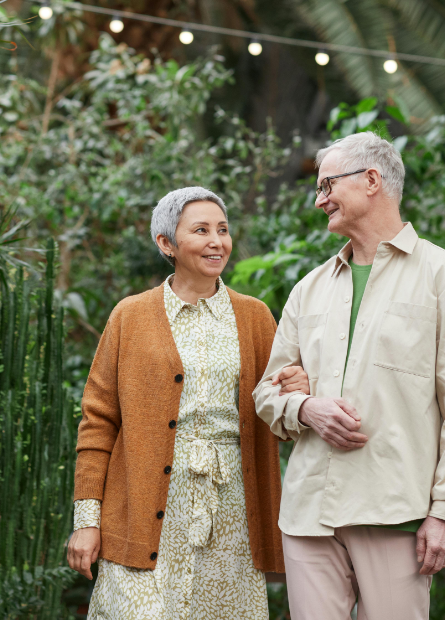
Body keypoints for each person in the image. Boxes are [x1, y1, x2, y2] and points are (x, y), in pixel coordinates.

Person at [254, 132, 445, 620]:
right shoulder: (308, 289)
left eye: (327, 186)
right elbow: (267, 393)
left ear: (372, 180)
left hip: (395, 511)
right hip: (308, 514)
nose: (319, 201)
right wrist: (305, 408)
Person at [67, 186, 310, 620]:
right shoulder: (129, 316)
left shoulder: (255, 317)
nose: (217, 241)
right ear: (167, 244)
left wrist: (296, 387)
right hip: (143, 512)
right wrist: (87, 520)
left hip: (231, 512)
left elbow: (279, 410)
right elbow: (98, 420)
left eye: (223, 230)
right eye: (201, 230)